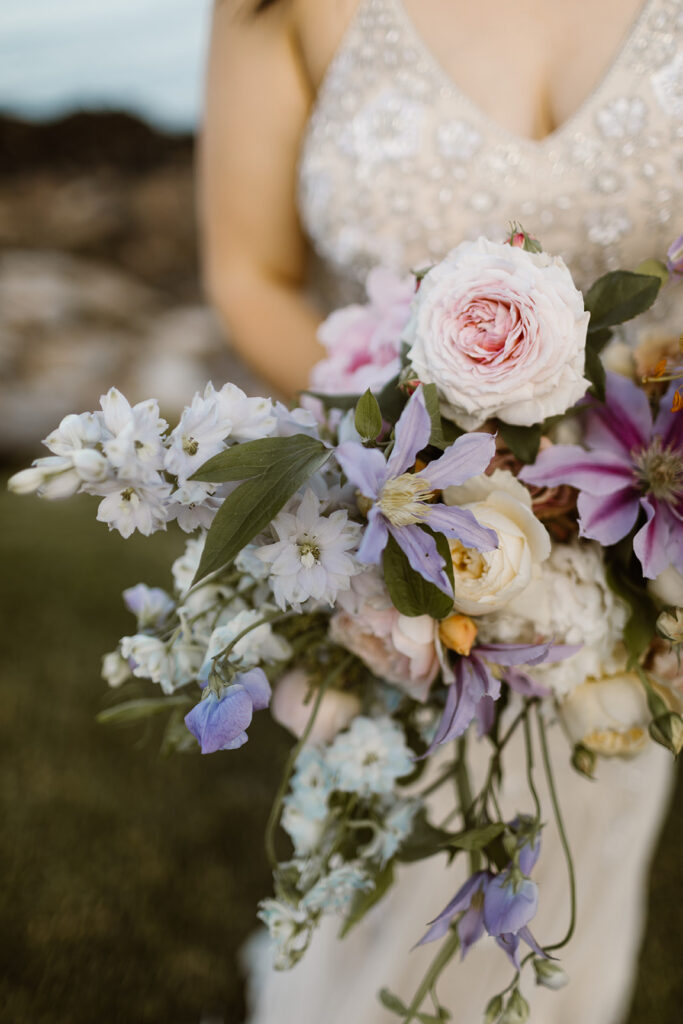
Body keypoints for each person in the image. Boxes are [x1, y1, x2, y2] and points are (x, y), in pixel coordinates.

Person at [199, 1, 682, 1021]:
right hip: (407, 533)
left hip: (650, 543)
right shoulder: (279, 11)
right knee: (371, 906)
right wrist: (428, 476)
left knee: (573, 885)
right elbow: (250, 272)